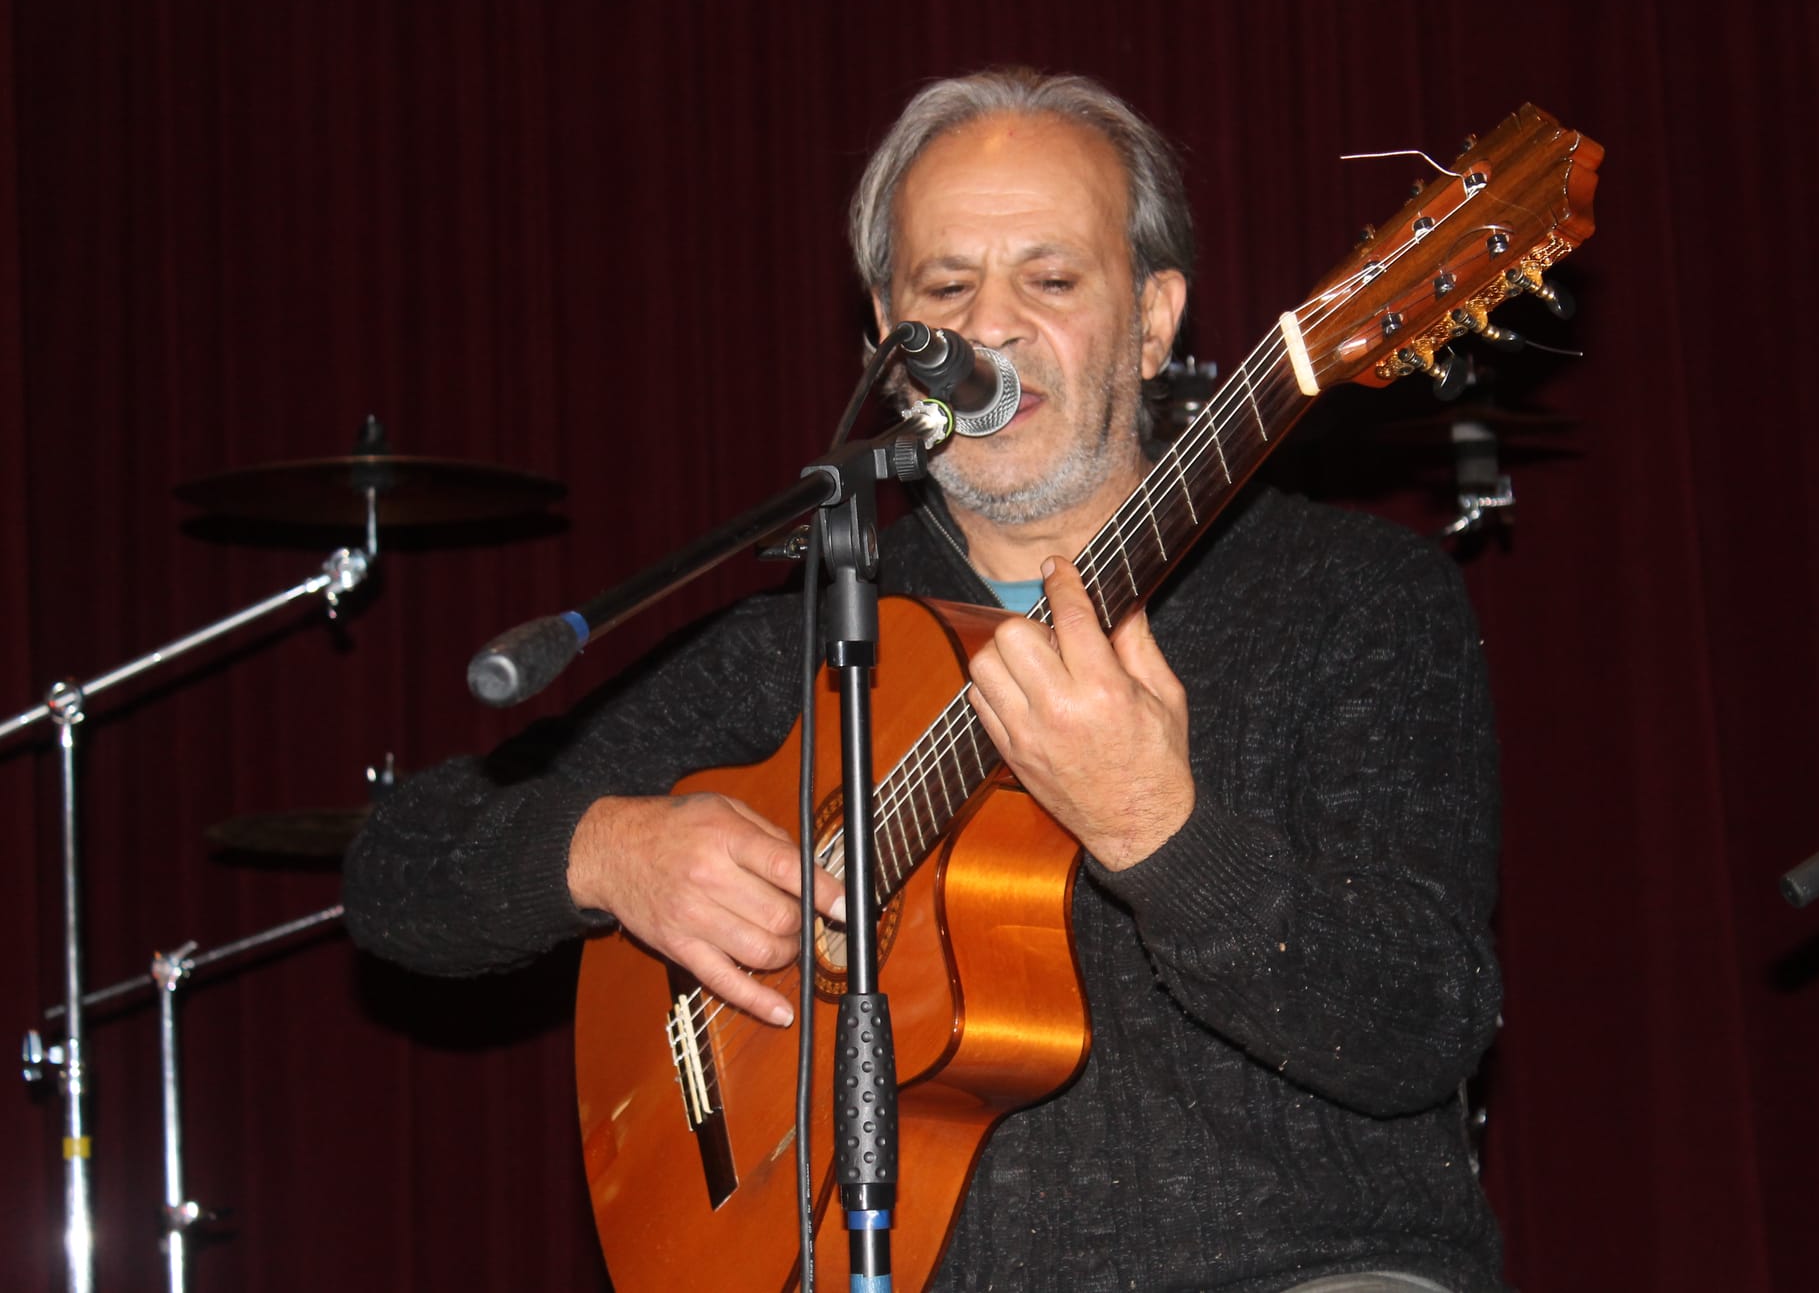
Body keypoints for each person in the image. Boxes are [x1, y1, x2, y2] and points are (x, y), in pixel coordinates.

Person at [344, 68, 1508, 1293]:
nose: (989, 330)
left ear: (1155, 319)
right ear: (888, 352)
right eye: (944, 290)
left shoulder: (1349, 599)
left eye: (1050, 281)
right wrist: (605, 850)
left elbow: (1418, 1020)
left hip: (1296, 1265)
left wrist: (1156, 831)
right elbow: (401, 866)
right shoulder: (804, 631)